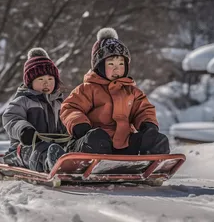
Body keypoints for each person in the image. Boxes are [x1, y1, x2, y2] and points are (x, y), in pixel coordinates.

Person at [60, 27, 170, 156]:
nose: (117, 69)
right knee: (96, 139)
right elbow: (70, 108)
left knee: (156, 140)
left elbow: (144, 110)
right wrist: (79, 125)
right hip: (93, 141)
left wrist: (148, 124)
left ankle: (152, 160)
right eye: (111, 64)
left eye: (121, 64)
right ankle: (91, 159)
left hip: (124, 143)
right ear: (99, 65)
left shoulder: (132, 92)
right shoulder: (88, 89)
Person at [2, 47, 68, 172]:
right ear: (30, 82)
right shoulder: (22, 101)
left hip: (54, 145)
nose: (46, 83)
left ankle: (68, 162)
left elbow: (66, 123)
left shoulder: (59, 103)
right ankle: (49, 163)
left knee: (64, 148)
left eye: (50, 79)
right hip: (26, 147)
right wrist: (24, 130)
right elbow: (12, 118)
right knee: (38, 151)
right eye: (41, 79)